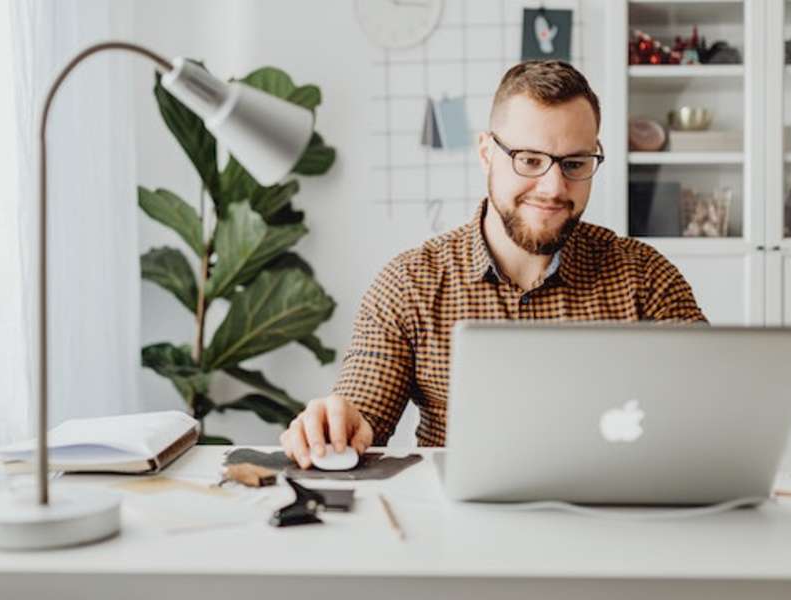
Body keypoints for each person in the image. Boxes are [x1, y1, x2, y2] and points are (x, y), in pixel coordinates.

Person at [281, 60, 706, 468]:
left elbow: (712, 407)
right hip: (458, 529)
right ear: (487, 153)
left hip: (614, 520)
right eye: (530, 160)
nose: (554, 187)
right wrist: (337, 424)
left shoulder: (646, 277)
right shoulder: (411, 283)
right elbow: (363, 409)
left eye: (575, 164)